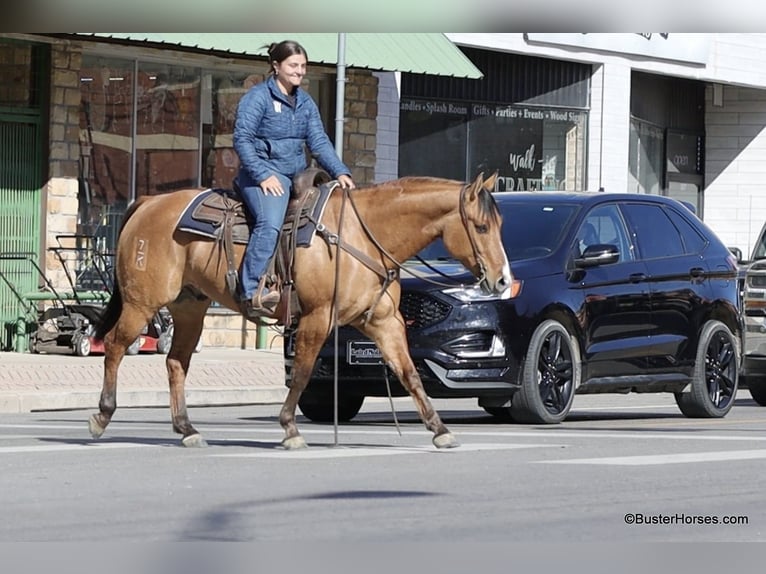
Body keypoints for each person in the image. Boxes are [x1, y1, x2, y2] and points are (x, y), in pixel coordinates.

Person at [233, 40, 355, 315]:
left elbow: (319, 142)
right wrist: (263, 175)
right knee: (271, 223)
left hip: (298, 176)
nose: (299, 71)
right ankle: (251, 290)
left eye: (302, 66)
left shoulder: (305, 102)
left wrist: (340, 171)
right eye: (293, 65)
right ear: (276, 66)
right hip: (261, 176)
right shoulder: (257, 98)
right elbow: (242, 140)